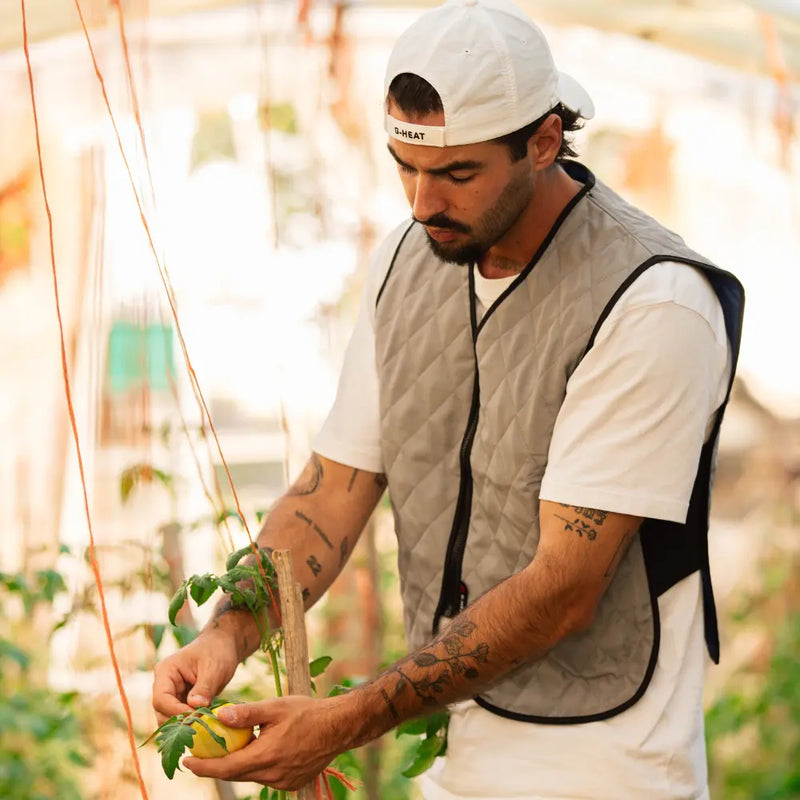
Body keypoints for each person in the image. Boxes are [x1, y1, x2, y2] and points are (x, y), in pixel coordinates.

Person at [152, 0, 744, 796]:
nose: (422, 203)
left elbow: (564, 591)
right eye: (406, 165)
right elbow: (334, 491)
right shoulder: (410, 258)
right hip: (463, 751)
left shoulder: (653, 302)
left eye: (458, 173)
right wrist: (227, 631)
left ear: (543, 141)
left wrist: (345, 719)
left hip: (604, 763)